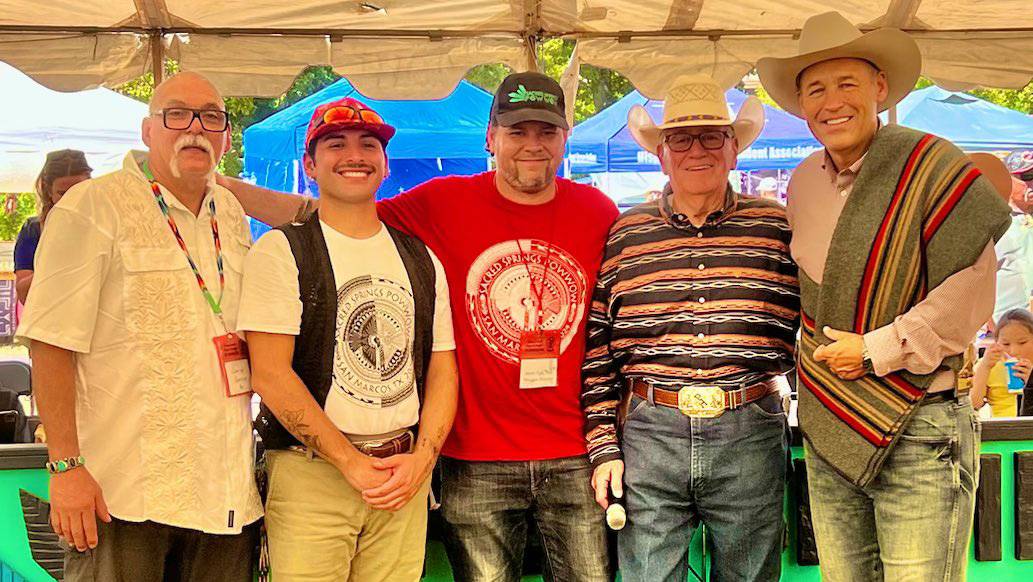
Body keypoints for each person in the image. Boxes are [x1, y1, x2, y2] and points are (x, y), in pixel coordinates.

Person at [221, 71, 618, 582]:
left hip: (573, 450)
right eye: (518, 132)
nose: (532, 145)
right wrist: (218, 185)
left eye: (547, 131)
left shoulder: (598, 211)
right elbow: (330, 210)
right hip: (475, 453)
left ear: (566, 137)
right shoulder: (442, 202)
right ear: (491, 138)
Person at [757, 11, 1012, 581]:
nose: (832, 101)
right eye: (815, 89)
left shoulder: (932, 167)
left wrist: (877, 348)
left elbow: (971, 292)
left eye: (847, 83)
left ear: (878, 87)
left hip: (922, 422)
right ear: (802, 106)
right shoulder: (800, 185)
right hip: (829, 426)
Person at [16, 72, 261, 581]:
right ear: (148, 130)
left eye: (211, 116)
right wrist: (65, 468)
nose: (194, 128)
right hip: (122, 491)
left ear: (225, 136)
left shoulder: (232, 214)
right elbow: (50, 344)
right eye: (177, 114)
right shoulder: (92, 206)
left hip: (224, 488)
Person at [582, 74, 799, 582]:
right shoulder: (626, 233)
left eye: (711, 136)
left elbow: (808, 332)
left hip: (751, 426)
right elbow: (598, 351)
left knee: (750, 576)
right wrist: (603, 446)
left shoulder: (779, 228)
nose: (695, 150)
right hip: (648, 434)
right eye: (681, 138)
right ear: (661, 153)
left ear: (733, 150)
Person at [237, 96, 459, 582]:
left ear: (384, 164)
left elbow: (443, 368)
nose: (354, 155)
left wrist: (423, 457)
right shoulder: (282, 251)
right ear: (310, 165)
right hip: (311, 474)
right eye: (335, 144)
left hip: (403, 475)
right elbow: (269, 374)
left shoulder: (421, 257)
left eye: (368, 145)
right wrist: (349, 461)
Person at [14, 149, 92, 303]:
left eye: (80, 191)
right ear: (48, 190)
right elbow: (23, 294)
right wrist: (57, 260)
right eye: (63, 193)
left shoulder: (108, 224)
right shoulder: (33, 230)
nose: (73, 200)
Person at [972, 309, 1033, 417]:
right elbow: (974, 404)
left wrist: (1031, 382)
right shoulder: (990, 364)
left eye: (1022, 342)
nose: (1014, 351)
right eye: (1005, 344)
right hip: (1002, 429)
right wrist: (985, 367)